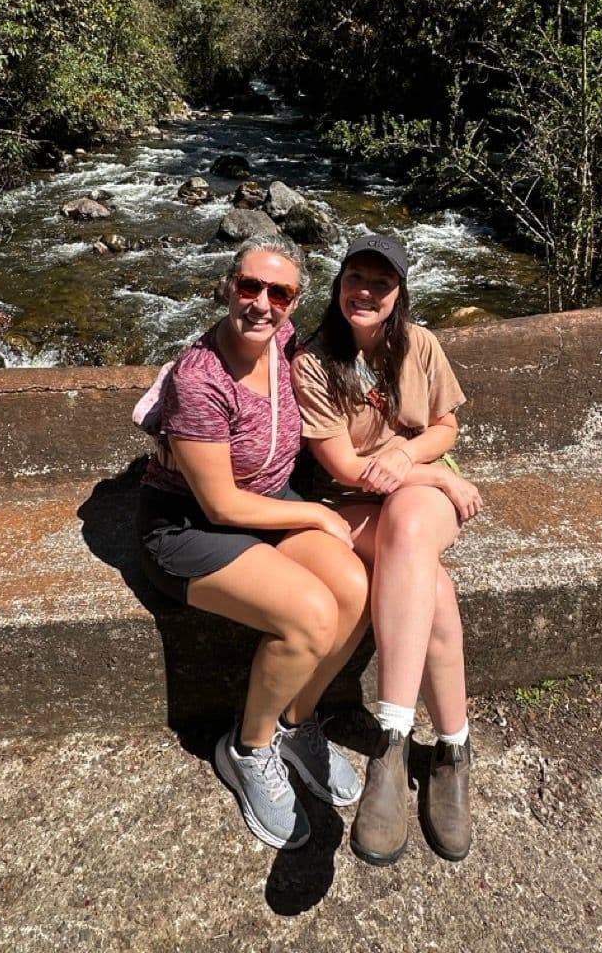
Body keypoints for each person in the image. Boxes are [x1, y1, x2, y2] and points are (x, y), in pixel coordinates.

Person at [136, 235, 370, 851]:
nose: (262, 303)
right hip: (190, 527)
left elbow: (368, 348)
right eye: (250, 286)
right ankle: (249, 746)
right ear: (228, 287)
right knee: (309, 615)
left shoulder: (287, 345)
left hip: (267, 505)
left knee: (353, 588)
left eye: (280, 292)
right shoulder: (201, 377)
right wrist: (317, 518)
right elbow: (219, 503)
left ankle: (299, 723)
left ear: (294, 303)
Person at [291, 233, 483, 866]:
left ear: (399, 293)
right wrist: (436, 475)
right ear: (339, 284)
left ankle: (393, 738)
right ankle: (451, 749)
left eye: (381, 282)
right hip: (347, 502)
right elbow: (347, 468)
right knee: (435, 587)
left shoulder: (421, 344)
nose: (365, 291)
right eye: (356, 278)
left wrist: (411, 456)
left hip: (410, 504)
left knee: (406, 525)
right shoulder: (315, 361)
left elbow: (446, 426)